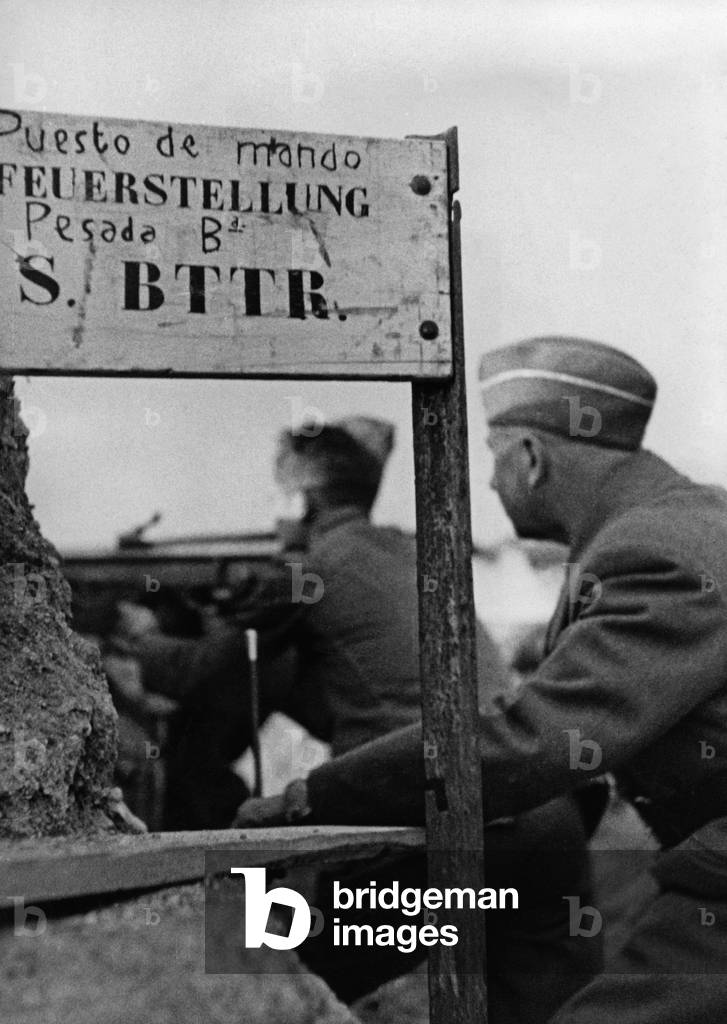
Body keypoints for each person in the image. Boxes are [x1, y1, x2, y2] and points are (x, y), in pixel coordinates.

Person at [236, 337, 727, 1023]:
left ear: (530, 456)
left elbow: (534, 737)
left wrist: (306, 798)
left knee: (239, 950)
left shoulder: (652, 550)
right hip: (639, 851)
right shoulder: (685, 521)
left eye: (494, 457)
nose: (491, 484)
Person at [111, 416, 508, 827]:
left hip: (414, 788)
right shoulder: (405, 550)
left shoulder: (309, 572)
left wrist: (139, 639)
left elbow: (196, 672)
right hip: (486, 776)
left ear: (300, 501)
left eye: (277, 494)